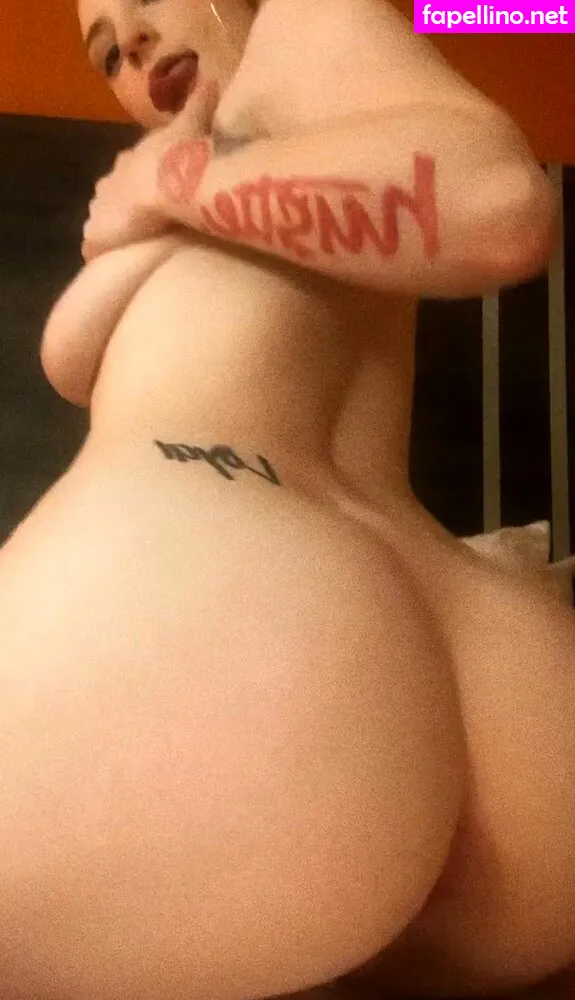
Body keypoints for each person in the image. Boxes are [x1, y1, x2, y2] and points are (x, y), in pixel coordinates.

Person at [1, 1, 573, 999]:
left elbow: (493, 204)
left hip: (218, 576)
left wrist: (171, 181)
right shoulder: (243, 167)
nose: (128, 45)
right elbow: (67, 355)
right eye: (105, 55)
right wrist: (150, 203)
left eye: (143, 0)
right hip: (472, 658)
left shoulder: (303, 22)